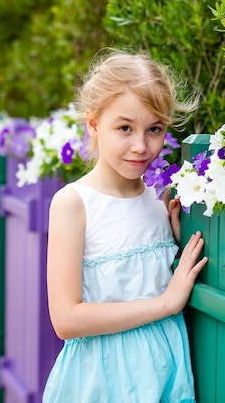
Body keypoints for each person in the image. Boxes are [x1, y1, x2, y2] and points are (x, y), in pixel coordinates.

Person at [43, 49, 208, 403]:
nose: (141, 146)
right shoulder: (74, 204)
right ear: (93, 124)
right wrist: (165, 303)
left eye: (154, 129)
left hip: (165, 371)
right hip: (103, 380)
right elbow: (66, 319)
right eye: (124, 128)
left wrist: (175, 241)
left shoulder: (159, 199)